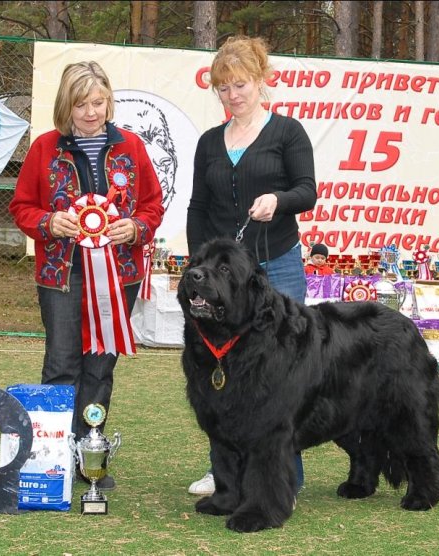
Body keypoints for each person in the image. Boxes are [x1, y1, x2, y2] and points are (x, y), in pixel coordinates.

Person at [9, 61, 164, 490]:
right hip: (60, 275)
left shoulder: (131, 147)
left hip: (121, 276)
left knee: (101, 365)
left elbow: (153, 204)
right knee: (61, 363)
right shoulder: (43, 149)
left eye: (98, 102)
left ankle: (88, 455)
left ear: (109, 101)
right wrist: (48, 223)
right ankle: (52, 457)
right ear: (66, 105)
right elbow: (21, 206)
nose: (92, 112)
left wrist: (135, 228)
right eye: (81, 104)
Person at [186, 36, 317, 497]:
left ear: (261, 82)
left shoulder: (287, 132)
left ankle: (285, 474)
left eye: (240, 85)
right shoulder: (208, 143)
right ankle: (223, 472)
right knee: (216, 373)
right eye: (223, 88)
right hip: (224, 283)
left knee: (280, 377)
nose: (232, 95)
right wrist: (198, 266)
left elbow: (307, 190)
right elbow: (198, 207)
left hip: (277, 266)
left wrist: (278, 200)